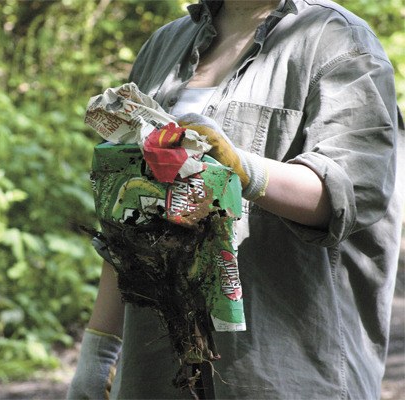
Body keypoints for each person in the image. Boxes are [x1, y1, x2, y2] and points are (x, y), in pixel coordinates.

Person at [67, 0, 404, 398]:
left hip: (283, 368)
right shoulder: (164, 46)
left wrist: (244, 170)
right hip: (157, 369)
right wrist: (99, 350)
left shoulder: (336, 40)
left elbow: (351, 194)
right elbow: (128, 221)